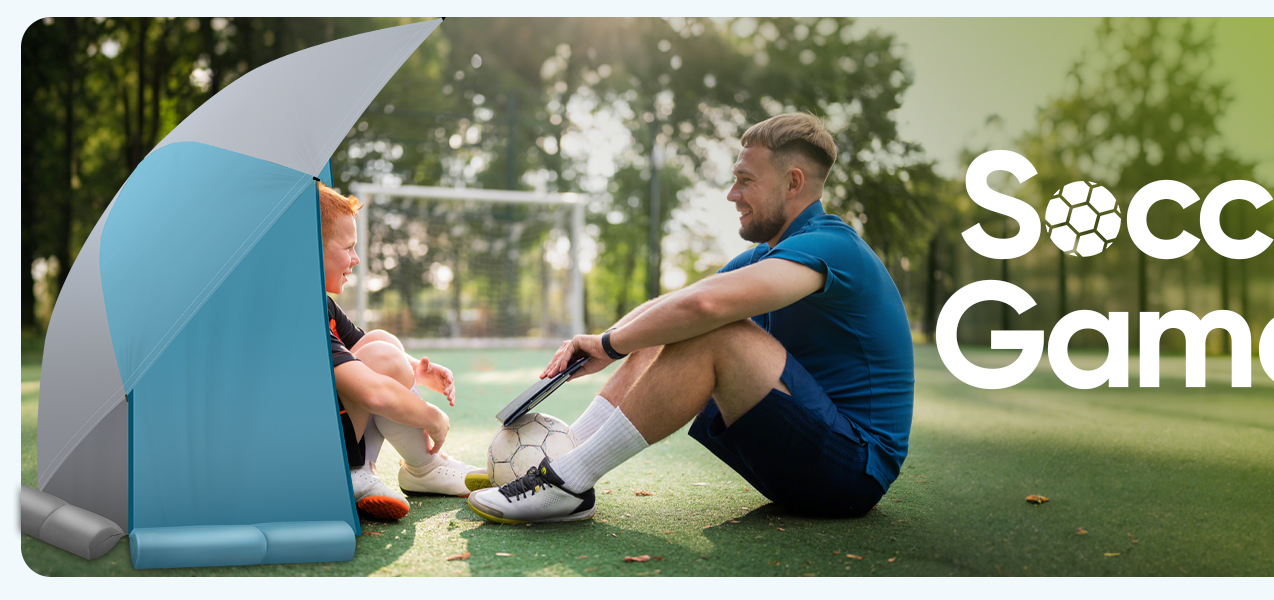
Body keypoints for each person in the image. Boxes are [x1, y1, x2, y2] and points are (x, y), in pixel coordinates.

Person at [467, 113, 914, 523]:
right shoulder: (769, 254)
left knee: (712, 331)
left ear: (793, 182)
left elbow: (705, 309)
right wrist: (609, 338)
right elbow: (678, 303)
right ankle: (566, 456)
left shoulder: (833, 247)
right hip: (806, 464)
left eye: (745, 180)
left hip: (852, 475)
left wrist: (609, 347)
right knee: (671, 324)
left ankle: (568, 484)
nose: (732, 194)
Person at [318, 183, 482, 520]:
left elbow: (367, 345)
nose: (356, 258)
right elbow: (374, 391)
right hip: (312, 451)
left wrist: (417, 371)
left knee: (383, 342)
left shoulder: (321, 304)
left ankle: (412, 469)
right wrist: (434, 418)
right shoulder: (302, 310)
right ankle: (359, 473)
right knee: (384, 358)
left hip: (315, 431)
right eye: (348, 247)